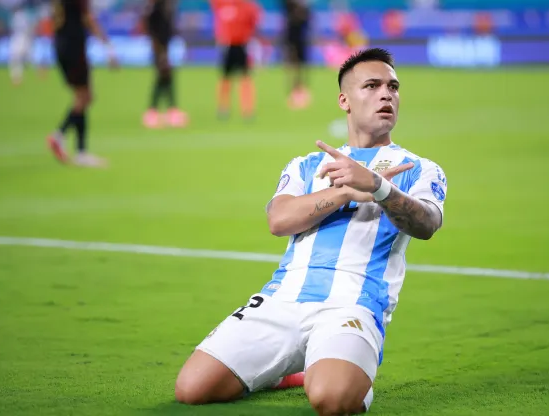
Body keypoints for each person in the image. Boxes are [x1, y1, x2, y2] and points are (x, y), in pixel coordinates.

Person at [174, 48, 448, 415]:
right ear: (344, 100)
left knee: (331, 400)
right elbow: (279, 220)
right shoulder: (307, 165)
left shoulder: (419, 168)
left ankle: (345, 375)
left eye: (393, 87)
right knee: (192, 389)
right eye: (372, 85)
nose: (387, 94)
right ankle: (287, 370)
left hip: (354, 305)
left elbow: (427, 224)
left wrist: (380, 189)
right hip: (281, 300)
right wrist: (345, 193)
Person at [46, 0, 118, 167]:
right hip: (74, 46)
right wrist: (106, 44)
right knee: (85, 96)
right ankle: (61, 136)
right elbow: (87, 18)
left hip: (60, 44)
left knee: (82, 96)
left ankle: (80, 151)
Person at [210, 0, 261, 120]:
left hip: (243, 45)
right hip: (228, 45)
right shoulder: (223, 4)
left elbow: (254, 24)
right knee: (225, 78)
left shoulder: (248, 7)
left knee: (245, 78)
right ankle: (223, 108)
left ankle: (247, 110)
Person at [142, 0, 188, 129]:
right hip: (159, 48)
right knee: (163, 77)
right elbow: (152, 31)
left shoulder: (167, 7)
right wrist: (161, 53)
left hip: (165, 47)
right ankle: (155, 112)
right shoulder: (156, 8)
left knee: (166, 77)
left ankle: (167, 110)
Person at [282, 0, 311, 109]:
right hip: (291, 39)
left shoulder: (304, 10)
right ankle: (292, 89)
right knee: (291, 65)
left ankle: (301, 89)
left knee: (301, 67)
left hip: (300, 40)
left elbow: (306, 21)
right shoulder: (289, 6)